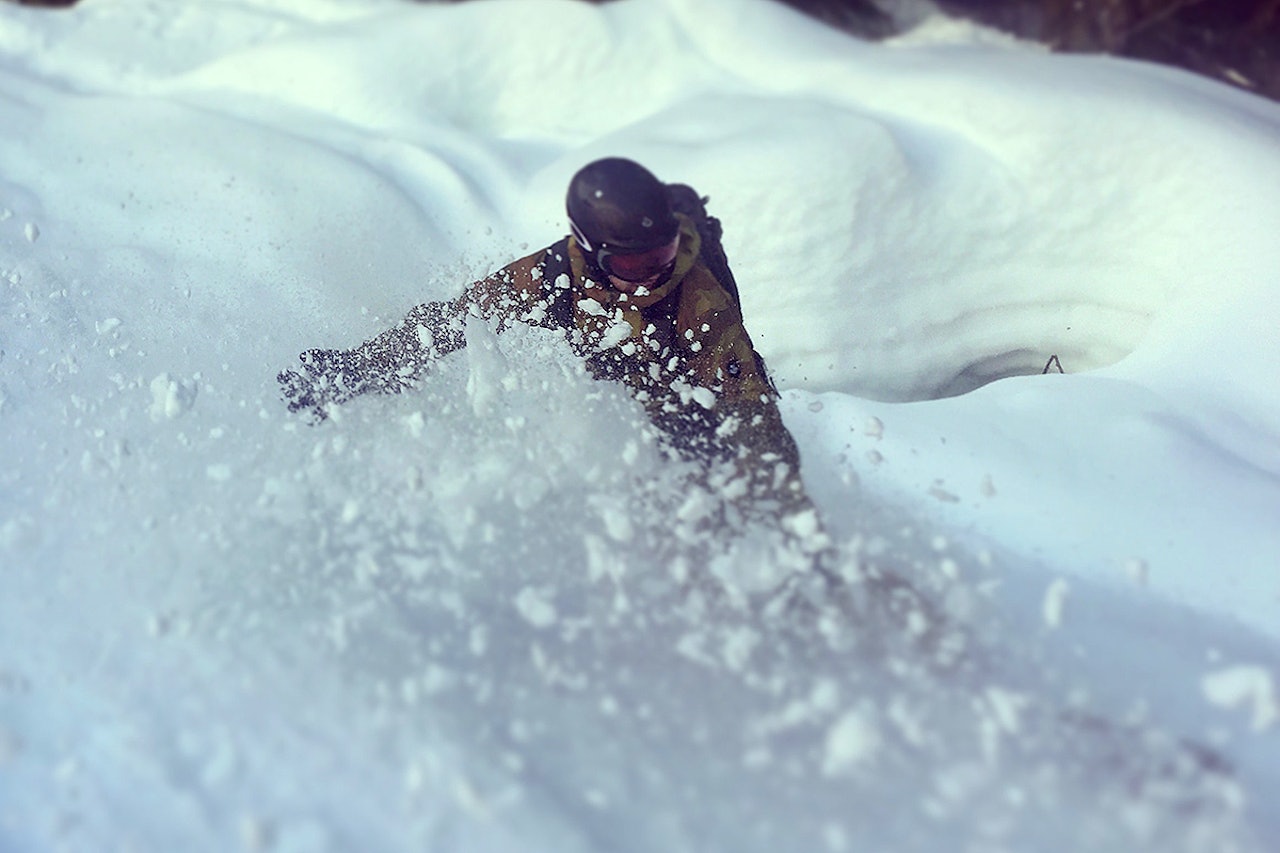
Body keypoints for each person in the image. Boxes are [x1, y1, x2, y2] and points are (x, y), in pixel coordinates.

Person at [278, 157, 822, 539]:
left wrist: (790, 521)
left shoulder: (700, 304)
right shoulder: (555, 272)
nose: (652, 273)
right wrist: (361, 369)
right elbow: (455, 320)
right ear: (590, 249)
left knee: (706, 504)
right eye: (633, 264)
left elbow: (752, 414)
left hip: (693, 395)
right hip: (628, 383)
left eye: (664, 252)